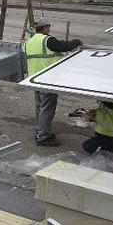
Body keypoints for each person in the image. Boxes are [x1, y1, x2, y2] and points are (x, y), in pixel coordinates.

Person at [24, 16, 82, 147]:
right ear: (45, 27)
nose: (49, 29)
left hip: (34, 80)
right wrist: (77, 41)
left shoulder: (28, 42)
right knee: (47, 109)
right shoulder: (47, 40)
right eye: (48, 27)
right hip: (47, 81)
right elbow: (64, 46)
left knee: (40, 107)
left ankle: (39, 130)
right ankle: (43, 136)